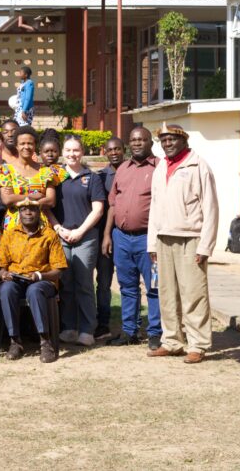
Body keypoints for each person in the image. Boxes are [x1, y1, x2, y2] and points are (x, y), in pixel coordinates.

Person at [147, 123, 218, 364]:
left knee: (193, 293)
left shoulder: (199, 166)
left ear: (184, 141)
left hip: (191, 238)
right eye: (163, 140)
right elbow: (154, 208)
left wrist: (205, 246)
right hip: (164, 238)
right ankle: (172, 341)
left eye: (172, 140)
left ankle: (198, 344)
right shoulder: (160, 168)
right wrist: (151, 245)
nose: (167, 144)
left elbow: (211, 208)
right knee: (167, 293)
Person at [104, 127, 161, 349]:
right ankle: (130, 331)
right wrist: (107, 235)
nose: (137, 143)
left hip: (148, 239)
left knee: (154, 286)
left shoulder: (160, 168)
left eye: (141, 139)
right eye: (133, 140)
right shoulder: (123, 169)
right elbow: (112, 204)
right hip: (122, 238)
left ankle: (156, 332)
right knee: (127, 287)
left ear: (150, 142)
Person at [0, 198, 68, 362]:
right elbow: (1, 265)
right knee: (6, 289)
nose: (28, 212)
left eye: (33, 209)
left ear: (39, 213)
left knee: (35, 291)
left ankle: (45, 343)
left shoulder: (49, 235)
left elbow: (59, 269)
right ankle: (15, 342)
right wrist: (3, 274)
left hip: (42, 281)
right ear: (19, 214)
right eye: (24, 210)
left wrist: (40, 275)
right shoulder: (10, 234)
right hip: (16, 279)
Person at [52, 136, 106, 347]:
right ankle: (69, 327)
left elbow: (98, 209)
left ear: (82, 152)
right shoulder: (56, 178)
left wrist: (81, 231)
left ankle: (86, 329)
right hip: (62, 236)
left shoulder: (91, 178)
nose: (72, 154)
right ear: (62, 153)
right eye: (68, 150)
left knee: (83, 283)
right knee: (65, 282)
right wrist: (59, 228)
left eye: (76, 150)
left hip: (86, 237)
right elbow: (47, 207)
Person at [0, 126, 59, 234]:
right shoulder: (6, 170)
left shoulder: (46, 171)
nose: (26, 147)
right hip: (14, 226)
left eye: (30, 143)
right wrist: (32, 196)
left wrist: (17, 198)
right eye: (22, 144)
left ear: (35, 145)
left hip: (41, 227)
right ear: (16, 145)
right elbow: (7, 200)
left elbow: (51, 201)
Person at [94, 137, 125, 340]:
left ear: (124, 150)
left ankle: (131, 323)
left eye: (117, 149)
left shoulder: (131, 171)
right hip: (102, 234)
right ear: (105, 152)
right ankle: (102, 322)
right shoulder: (100, 176)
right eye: (110, 149)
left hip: (123, 234)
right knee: (103, 282)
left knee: (127, 281)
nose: (114, 152)